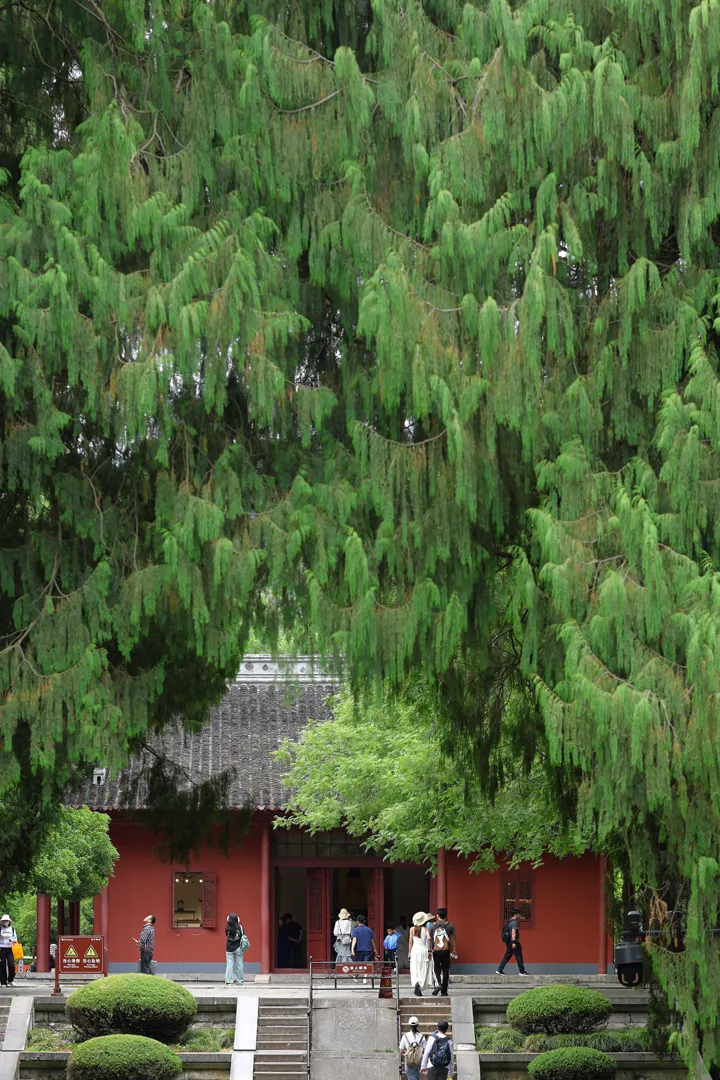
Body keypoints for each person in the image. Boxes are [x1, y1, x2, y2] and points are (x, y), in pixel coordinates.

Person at [428, 907, 457, 996]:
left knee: (436, 969)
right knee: (445, 970)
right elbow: (453, 939)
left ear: (437, 915)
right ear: (446, 916)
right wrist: (455, 949)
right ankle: (444, 990)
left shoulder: (432, 925)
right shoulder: (450, 925)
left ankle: (438, 984)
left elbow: (430, 939)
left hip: (436, 951)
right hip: (446, 950)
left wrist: (429, 950)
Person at [496, 906, 530, 976]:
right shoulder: (514, 922)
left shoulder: (509, 922)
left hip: (509, 942)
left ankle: (499, 969)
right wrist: (514, 942)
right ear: (515, 914)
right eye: (518, 914)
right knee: (519, 956)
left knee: (507, 956)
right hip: (513, 942)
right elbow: (513, 932)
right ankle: (522, 971)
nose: (519, 915)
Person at [409, 911, 433, 997]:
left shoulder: (412, 929)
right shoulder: (426, 929)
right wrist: (429, 950)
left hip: (415, 950)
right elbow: (429, 939)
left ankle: (416, 983)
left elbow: (410, 942)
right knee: (423, 967)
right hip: (423, 949)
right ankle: (420, 984)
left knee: (415, 968)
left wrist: (409, 952)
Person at [400, 1015, 427, 1080]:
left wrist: (406, 1054)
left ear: (409, 1025)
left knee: (411, 1078)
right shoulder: (421, 1036)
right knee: (417, 1077)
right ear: (417, 1025)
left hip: (409, 1061)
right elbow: (425, 1050)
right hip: (418, 1062)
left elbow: (401, 1050)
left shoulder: (405, 1036)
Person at [225, 912, 245, 986]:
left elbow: (226, 936)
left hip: (229, 948)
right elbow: (243, 936)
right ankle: (240, 981)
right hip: (238, 948)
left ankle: (229, 981)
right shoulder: (240, 927)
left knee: (229, 964)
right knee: (239, 965)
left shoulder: (227, 928)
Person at [0, 915, 17, 987]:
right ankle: (3, 982)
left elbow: (15, 939)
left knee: (11, 965)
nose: (5, 922)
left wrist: (11, 940)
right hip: (1, 948)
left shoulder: (12, 929)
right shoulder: (0, 929)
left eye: (7, 921)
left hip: (10, 948)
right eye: (4, 921)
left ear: (9, 921)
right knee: (2, 966)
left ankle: (10, 980)